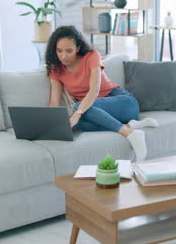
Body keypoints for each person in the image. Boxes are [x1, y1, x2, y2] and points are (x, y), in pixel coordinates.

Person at [45, 25, 158, 161]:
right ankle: (131, 125)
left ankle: (131, 134)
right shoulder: (56, 70)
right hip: (97, 113)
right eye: (59, 51)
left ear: (78, 48)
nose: (64, 56)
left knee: (77, 111)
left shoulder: (91, 57)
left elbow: (94, 91)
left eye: (69, 51)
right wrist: (52, 124)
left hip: (124, 103)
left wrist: (78, 113)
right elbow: (54, 102)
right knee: (73, 126)